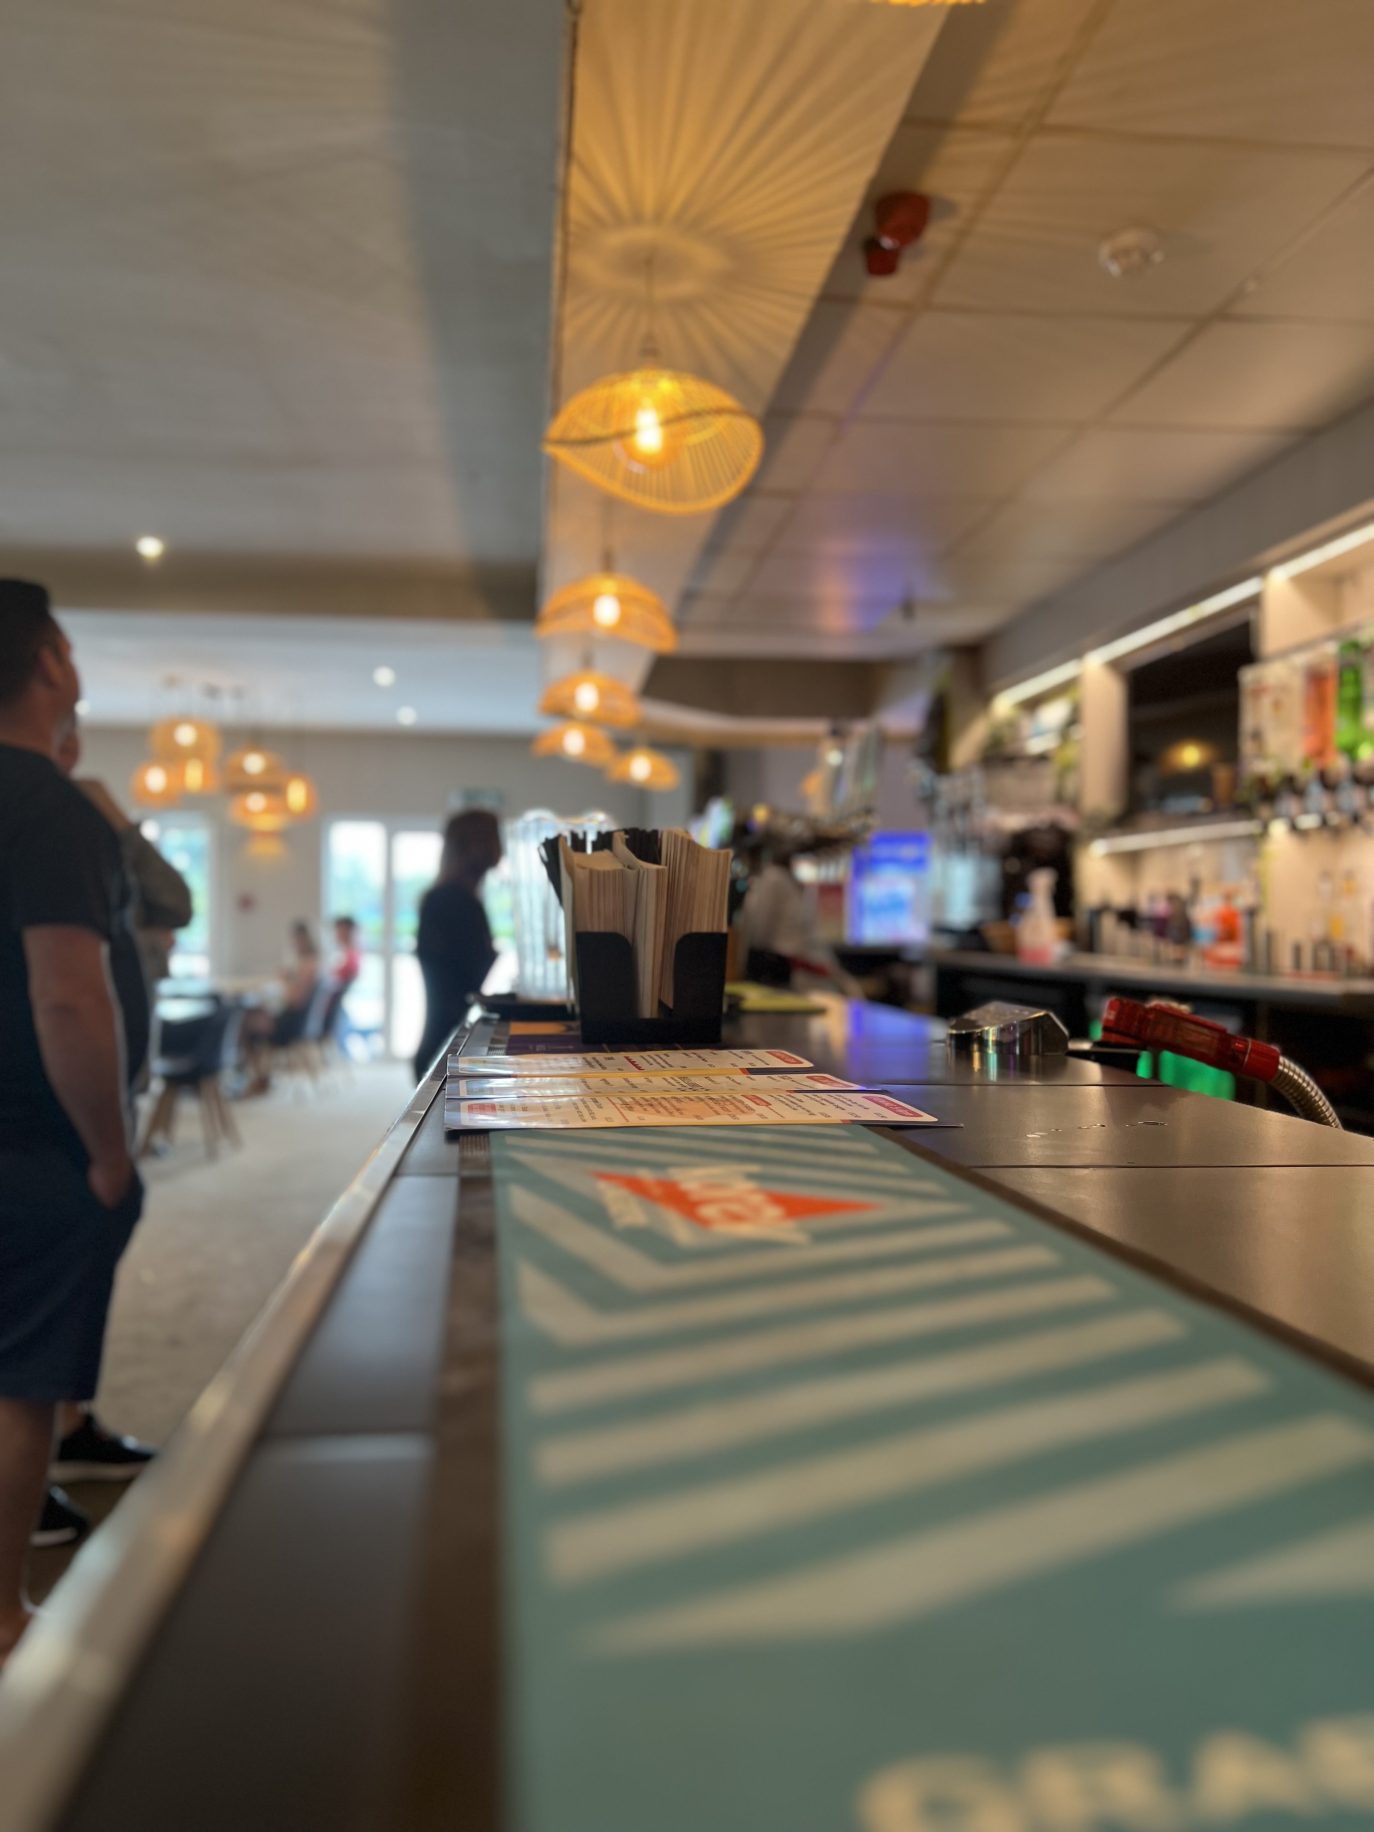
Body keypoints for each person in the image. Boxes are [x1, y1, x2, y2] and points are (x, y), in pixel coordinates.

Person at [0, 580, 145, 1668]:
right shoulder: (49, 805)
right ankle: (2, 1616)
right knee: (23, 1384)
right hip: (31, 1143)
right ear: (49, 655)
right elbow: (68, 995)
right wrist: (107, 1149)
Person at [413, 810, 501, 1081]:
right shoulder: (455, 902)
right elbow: (463, 982)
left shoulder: (450, 899)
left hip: (447, 1042)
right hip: (446, 1048)